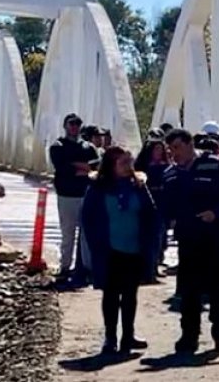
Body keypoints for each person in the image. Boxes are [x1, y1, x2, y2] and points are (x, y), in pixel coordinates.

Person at [162, 129, 219, 354]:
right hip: (188, 240)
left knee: (218, 289)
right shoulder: (171, 173)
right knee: (189, 290)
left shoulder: (214, 165)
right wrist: (170, 218)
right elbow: (166, 203)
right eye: (170, 149)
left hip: (214, 237)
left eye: (177, 147)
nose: (173, 153)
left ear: (189, 144)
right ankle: (189, 336)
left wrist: (216, 212)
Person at [81, 146, 158, 354]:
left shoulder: (139, 186)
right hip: (109, 250)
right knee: (111, 294)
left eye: (129, 162)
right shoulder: (98, 188)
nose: (127, 167)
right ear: (111, 165)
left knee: (130, 295)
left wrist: (150, 245)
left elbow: (151, 215)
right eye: (123, 162)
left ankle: (128, 336)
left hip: (134, 249)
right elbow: (88, 218)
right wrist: (95, 245)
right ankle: (110, 337)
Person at [49, 113, 100, 282]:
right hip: (66, 195)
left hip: (86, 194)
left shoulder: (88, 147)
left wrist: (76, 166)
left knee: (87, 233)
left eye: (77, 124)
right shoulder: (58, 146)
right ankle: (65, 266)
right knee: (68, 232)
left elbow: (95, 167)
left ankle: (86, 268)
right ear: (65, 126)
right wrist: (81, 168)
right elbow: (62, 168)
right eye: (71, 123)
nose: (74, 127)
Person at [134, 139, 171, 278]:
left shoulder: (167, 167)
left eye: (161, 149)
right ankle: (144, 268)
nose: (159, 152)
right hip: (145, 204)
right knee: (145, 238)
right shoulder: (142, 167)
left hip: (161, 205)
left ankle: (154, 265)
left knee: (159, 237)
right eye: (156, 149)